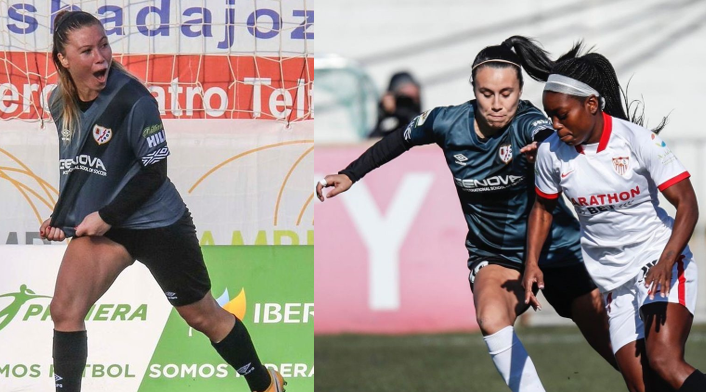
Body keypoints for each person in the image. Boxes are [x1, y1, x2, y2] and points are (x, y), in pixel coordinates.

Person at [317, 36, 617, 392]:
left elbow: (545, 135)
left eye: (506, 93)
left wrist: (545, 150)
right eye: (486, 93)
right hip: (497, 256)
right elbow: (400, 138)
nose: (496, 104)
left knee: (625, 357)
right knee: (490, 317)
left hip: (557, 250)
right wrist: (352, 174)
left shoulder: (528, 123)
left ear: (520, 90)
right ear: (473, 89)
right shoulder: (448, 123)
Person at [41, 10, 285, 392]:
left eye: (103, 45)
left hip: (158, 224)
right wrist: (61, 217)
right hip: (112, 226)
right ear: (63, 59)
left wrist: (105, 216)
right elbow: (79, 166)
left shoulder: (134, 100)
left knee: (204, 318)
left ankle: (266, 382)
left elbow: (155, 173)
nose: (101, 57)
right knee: (64, 311)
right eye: (87, 51)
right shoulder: (58, 102)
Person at [522, 44, 706, 392]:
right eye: (550, 117)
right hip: (614, 281)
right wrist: (532, 263)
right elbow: (542, 210)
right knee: (643, 386)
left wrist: (667, 261)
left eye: (562, 114)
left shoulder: (638, 141)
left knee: (664, 360)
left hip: (660, 262)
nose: (555, 125)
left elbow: (687, 204)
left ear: (591, 104)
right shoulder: (550, 153)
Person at [368, 71, 422, 138]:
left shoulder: (421, 123)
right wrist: (384, 113)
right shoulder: (387, 122)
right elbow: (372, 141)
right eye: (402, 97)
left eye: (411, 98)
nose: (405, 102)